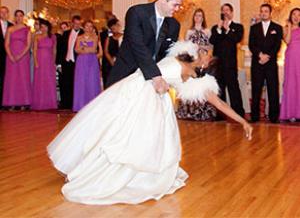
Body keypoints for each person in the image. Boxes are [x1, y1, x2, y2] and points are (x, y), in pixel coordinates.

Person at [47, 41, 252, 205]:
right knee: (112, 132)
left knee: (133, 142)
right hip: (134, 89)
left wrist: (243, 121)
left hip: (152, 100)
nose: (204, 50)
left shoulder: (193, 80)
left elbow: (219, 103)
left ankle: (95, 176)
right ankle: (83, 172)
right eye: (204, 49)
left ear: (206, 64)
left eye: (208, 53)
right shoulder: (179, 55)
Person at [107, 0, 184, 94]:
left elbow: (167, 54)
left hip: (153, 82)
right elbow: (138, 46)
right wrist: (155, 75)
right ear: (163, 0)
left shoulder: (174, 25)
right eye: (175, 5)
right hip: (127, 72)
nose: (177, 9)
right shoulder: (137, 13)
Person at [177, 8, 216, 121]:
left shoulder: (207, 31)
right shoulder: (189, 32)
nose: (198, 17)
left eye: (200, 15)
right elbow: (186, 47)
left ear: (203, 18)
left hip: (203, 60)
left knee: (202, 83)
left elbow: (211, 47)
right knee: (190, 83)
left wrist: (201, 48)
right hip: (193, 60)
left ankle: (203, 112)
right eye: (196, 15)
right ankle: (189, 112)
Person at [249, 3, 283, 123]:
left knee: (273, 90)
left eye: (266, 11)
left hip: (270, 63)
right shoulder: (254, 28)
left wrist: (267, 56)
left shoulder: (277, 28)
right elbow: (251, 44)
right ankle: (254, 117)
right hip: (257, 63)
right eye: (262, 11)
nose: (263, 13)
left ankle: (274, 117)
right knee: (256, 90)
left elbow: (277, 45)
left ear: (270, 13)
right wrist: (260, 55)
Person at [209, 3, 245, 117]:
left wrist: (227, 29)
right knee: (219, 89)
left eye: (227, 10)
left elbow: (236, 39)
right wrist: (219, 29)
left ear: (231, 12)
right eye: (223, 10)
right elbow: (212, 41)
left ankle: (238, 113)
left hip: (230, 64)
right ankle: (220, 114)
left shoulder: (238, 27)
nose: (225, 12)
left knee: (233, 88)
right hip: (218, 64)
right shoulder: (216, 28)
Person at [2, 10, 32, 110]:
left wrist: (20, 56)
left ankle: (24, 102)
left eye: (20, 16)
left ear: (23, 17)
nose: (19, 18)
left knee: (23, 78)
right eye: (17, 16)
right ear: (14, 17)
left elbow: (28, 45)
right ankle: (11, 102)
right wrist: (10, 55)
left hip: (23, 57)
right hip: (11, 56)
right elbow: (6, 44)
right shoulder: (10, 29)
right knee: (12, 79)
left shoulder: (27, 29)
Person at [73, 20, 102, 112]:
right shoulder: (79, 37)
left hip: (92, 60)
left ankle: (92, 105)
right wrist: (85, 49)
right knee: (81, 81)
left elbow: (93, 50)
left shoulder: (95, 37)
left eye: (91, 26)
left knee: (92, 81)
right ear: (83, 27)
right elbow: (76, 50)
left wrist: (83, 48)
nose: (89, 28)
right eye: (87, 26)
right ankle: (80, 105)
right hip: (81, 61)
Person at [56, 15, 83, 109]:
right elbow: (60, 49)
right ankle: (65, 103)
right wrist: (58, 63)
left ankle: (74, 103)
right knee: (64, 82)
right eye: (75, 24)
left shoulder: (83, 34)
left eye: (79, 24)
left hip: (78, 62)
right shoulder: (65, 33)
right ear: (72, 23)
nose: (77, 26)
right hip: (66, 61)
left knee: (75, 83)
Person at [31, 19, 57, 111]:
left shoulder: (53, 37)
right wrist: (36, 62)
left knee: (49, 81)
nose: (44, 28)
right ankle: (39, 103)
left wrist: (53, 62)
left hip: (49, 62)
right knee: (40, 82)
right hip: (40, 61)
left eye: (45, 27)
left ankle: (50, 103)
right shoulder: (37, 36)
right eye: (42, 27)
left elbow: (54, 51)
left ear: (48, 27)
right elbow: (34, 50)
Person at [280, 7, 300, 122]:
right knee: (291, 83)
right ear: (290, 16)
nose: (296, 17)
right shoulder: (285, 28)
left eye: (299, 15)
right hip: (291, 58)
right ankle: (291, 113)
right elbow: (287, 41)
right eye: (294, 14)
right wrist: (288, 27)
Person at [103, 18, 123, 88]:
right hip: (110, 63)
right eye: (112, 27)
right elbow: (106, 51)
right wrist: (111, 61)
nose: (114, 28)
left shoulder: (124, 37)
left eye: (116, 26)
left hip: (122, 62)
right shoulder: (108, 39)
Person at [0, 6, 13, 108]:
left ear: (8, 13)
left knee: (6, 78)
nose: (3, 14)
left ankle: (5, 101)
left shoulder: (12, 25)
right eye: (1, 12)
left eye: (5, 12)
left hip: (8, 55)